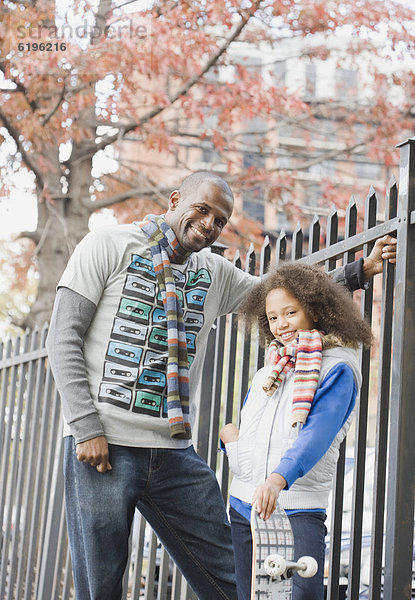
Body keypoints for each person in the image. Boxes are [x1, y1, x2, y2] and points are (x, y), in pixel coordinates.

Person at [46, 170, 396, 600]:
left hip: (172, 450)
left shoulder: (214, 271)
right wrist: (85, 426)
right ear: (176, 199)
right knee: (99, 587)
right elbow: (62, 336)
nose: (210, 224)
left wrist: (359, 270)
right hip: (104, 445)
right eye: (203, 209)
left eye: (220, 220)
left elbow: (282, 295)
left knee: (233, 579)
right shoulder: (108, 245)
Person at [219, 261, 373, 600]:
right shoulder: (269, 371)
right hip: (245, 506)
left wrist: (278, 479)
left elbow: (317, 434)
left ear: (314, 311)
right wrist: (231, 444)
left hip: (296, 505)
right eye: (273, 317)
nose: (281, 325)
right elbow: (253, 431)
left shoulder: (338, 368)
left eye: (290, 312)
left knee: (300, 595)